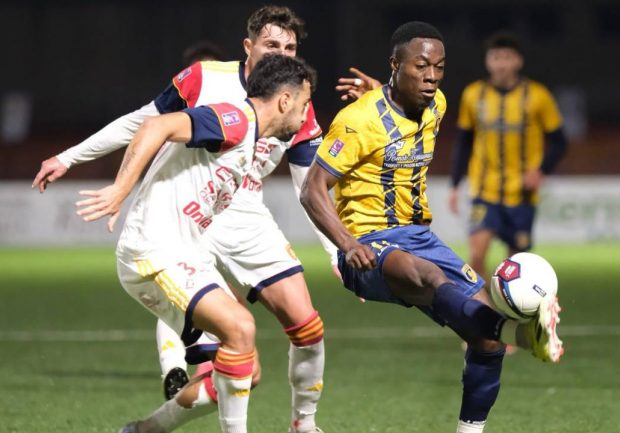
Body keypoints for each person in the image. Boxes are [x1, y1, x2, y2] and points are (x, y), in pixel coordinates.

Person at [32, 6, 376, 433]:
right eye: (272, 46)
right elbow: (146, 124)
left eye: (290, 48)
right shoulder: (215, 92)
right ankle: (175, 361)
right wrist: (88, 167)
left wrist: (338, 252)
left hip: (232, 212)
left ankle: (163, 428)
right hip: (178, 231)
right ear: (248, 47)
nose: (282, 56)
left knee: (277, 345)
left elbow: (312, 189)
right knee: (236, 333)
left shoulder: (292, 108)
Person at [299, 21, 563, 433]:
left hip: (420, 237)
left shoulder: (436, 104)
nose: (432, 76)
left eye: (439, 67)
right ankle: (521, 333)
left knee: (486, 341)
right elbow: (312, 189)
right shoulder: (357, 121)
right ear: (395, 65)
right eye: (421, 66)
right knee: (425, 275)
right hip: (369, 245)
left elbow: (398, 112)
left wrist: (385, 89)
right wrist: (346, 243)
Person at [75, 54, 315, 433]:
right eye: (302, 106)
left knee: (244, 370)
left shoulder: (252, 137)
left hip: (186, 252)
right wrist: (121, 189)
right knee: (240, 328)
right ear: (284, 101)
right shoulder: (236, 120)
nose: (304, 118)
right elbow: (158, 125)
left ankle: (144, 430)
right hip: (152, 250)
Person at [448, 32, 567, 278]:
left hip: (521, 193)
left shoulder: (537, 96)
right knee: (477, 255)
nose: (501, 63)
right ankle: (486, 312)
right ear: (487, 61)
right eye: (495, 57)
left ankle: (514, 309)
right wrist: (455, 185)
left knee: (518, 265)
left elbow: (560, 142)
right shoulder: (473, 95)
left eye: (507, 57)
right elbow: (463, 142)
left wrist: (541, 170)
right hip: (484, 191)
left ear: (518, 61)